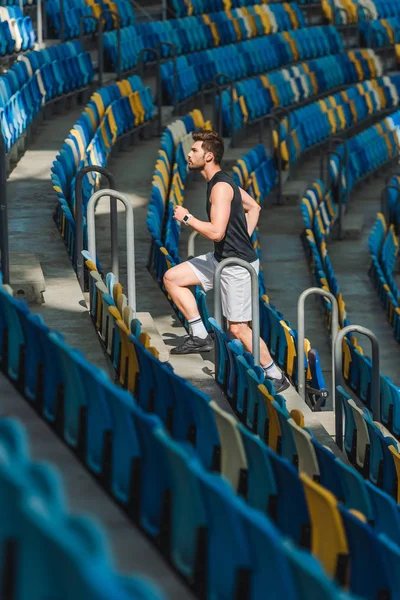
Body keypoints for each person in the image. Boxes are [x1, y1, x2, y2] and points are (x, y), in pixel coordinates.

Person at [163, 129, 289, 394]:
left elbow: (217, 232)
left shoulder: (220, 187)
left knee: (239, 329)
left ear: (208, 156)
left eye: (195, 150)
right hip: (222, 258)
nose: (189, 153)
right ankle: (199, 335)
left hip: (236, 266)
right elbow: (254, 207)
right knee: (172, 278)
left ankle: (275, 375)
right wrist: (244, 235)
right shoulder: (222, 182)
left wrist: (187, 218)